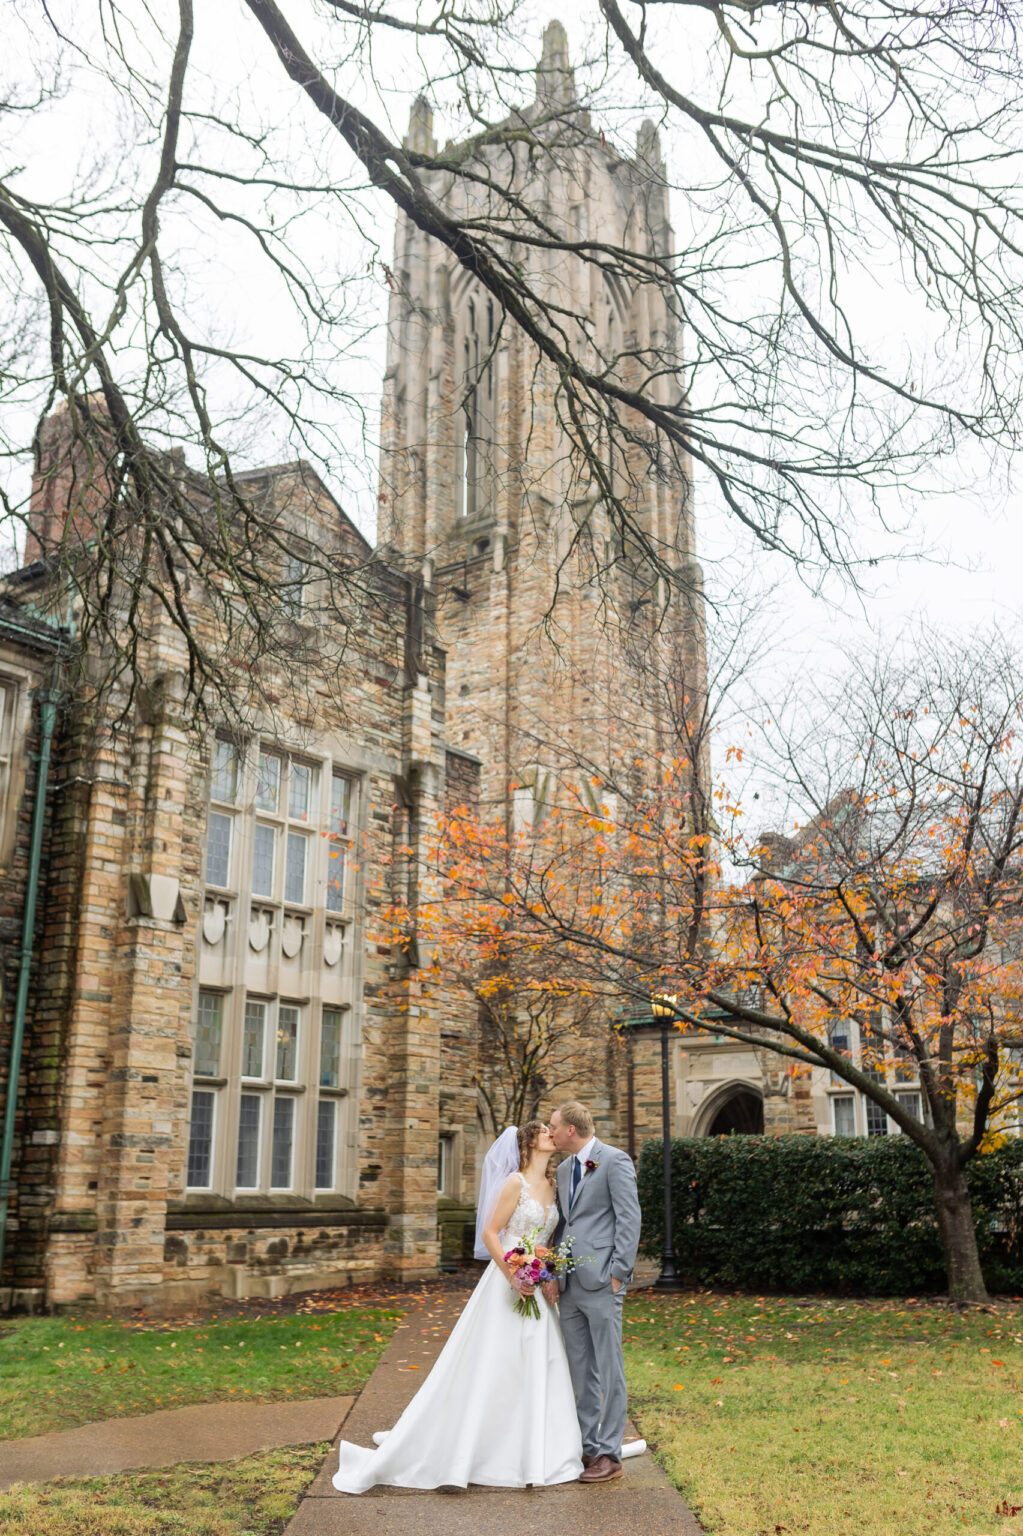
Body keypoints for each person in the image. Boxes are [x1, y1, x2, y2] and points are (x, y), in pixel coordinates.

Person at [332, 1120, 584, 1493]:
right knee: (493, 1364)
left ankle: (536, 1449)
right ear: (528, 1143)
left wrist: (545, 1272)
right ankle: (476, 1445)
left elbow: (546, 1239)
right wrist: (514, 1273)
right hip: (506, 1282)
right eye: (545, 1131)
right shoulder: (514, 1182)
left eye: (552, 1129)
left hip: (536, 1285)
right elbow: (490, 1233)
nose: (552, 1133)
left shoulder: (553, 1185)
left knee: (537, 1362)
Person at [547, 1099, 642, 1484]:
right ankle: (589, 1447)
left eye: (554, 1126)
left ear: (572, 1129)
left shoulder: (615, 1161)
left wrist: (618, 1273)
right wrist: (553, 1272)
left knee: (609, 1366)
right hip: (568, 1283)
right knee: (579, 1368)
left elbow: (629, 1218)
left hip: (603, 1280)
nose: (550, 1133)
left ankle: (610, 1453)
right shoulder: (564, 1168)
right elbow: (561, 1226)